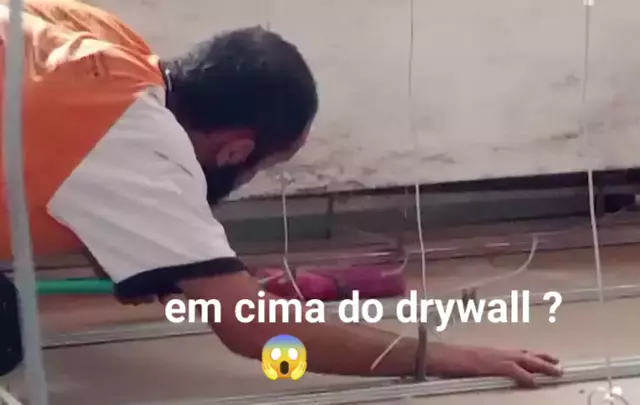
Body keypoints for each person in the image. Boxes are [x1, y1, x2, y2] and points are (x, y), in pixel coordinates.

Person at [0, 0, 562, 386]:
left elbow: (69, 168)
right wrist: (442, 357)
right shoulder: (136, 145)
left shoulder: (104, 40)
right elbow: (258, 335)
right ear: (235, 151)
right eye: (261, 167)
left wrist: (169, 268)